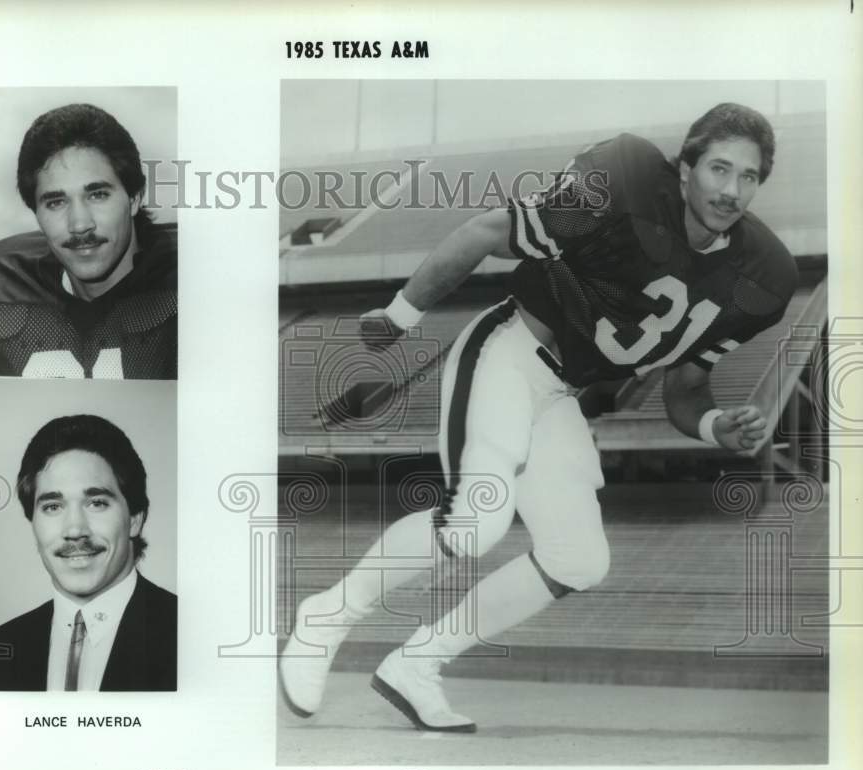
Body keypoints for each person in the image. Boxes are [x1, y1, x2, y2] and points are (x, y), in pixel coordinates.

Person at [280, 103, 797, 732]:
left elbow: (686, 388)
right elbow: (481, 232)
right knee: (475, 522)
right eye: (719, 168)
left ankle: (418, 664)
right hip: (510, 350)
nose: (731, 190)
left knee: (579, 559)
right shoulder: (627, 182)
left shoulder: (759, 276)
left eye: (749, 176)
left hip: (561, 395)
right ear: (685, 165)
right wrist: (401, 315)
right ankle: (326, 617)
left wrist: (719, 427)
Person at [0, 414, 176, 691]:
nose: (75, 530)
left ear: (135, 518)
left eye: (97, 503)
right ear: (34, 523)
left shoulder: (188, 635)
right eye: (53, 506)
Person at [0, 103, 177, 379]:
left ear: (135, 197)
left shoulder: (193, 276)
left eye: (97, 195)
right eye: (55, 202)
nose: (79, 224)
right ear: (36, 213)